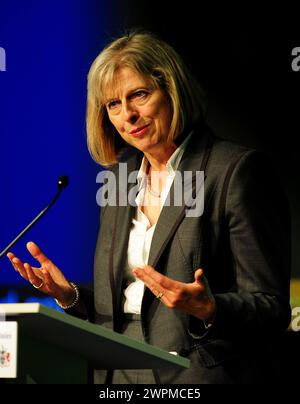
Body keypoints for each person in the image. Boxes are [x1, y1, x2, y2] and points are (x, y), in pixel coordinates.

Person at [7, 30, 291, 384]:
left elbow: (271, 307)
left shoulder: (235, 172)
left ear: (172, 90)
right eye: (113, 104)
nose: (128, 115)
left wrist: (210, 308)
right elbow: (133, 303)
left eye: (139, 95)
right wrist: (71, 296)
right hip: (115, 375)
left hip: (194, 376)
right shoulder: (120, 179)